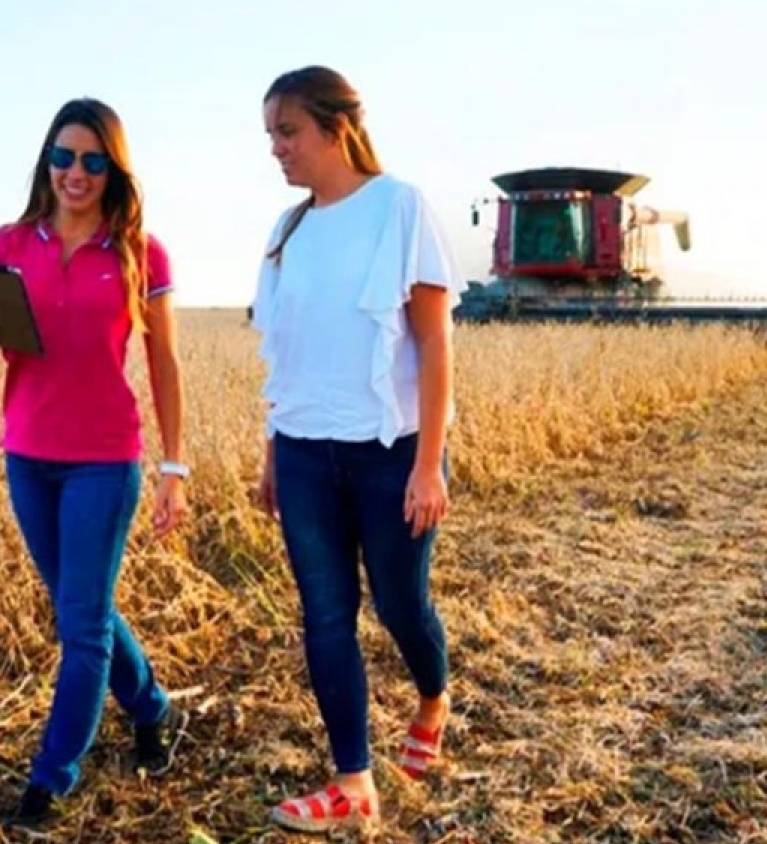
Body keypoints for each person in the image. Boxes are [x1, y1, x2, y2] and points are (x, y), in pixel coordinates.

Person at [0, 96, 192, 833]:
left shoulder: (142, 252)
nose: (75, 172)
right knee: (87, 611)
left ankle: (49, 781)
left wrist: (176, 467)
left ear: (115, 169)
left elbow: (164, 362)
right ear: (45, 160)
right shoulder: (6, 243)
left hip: (105, 463)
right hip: (27, 457)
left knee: (80, 628)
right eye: (62, 156)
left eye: (93, 160)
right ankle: (150, 707)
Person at [248, 65, 467, 834]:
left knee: (402, 604)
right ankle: (353, 782)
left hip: (388, 452)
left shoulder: (399, 208)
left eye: (288, 131)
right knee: (325, 614)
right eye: (270, 133)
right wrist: (274, 450)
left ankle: (434, 697)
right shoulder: (287, 230)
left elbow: (435, 343)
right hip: (305, 454)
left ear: (336, 128)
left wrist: (429, 462)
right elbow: (287, 352)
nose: (277, 148)